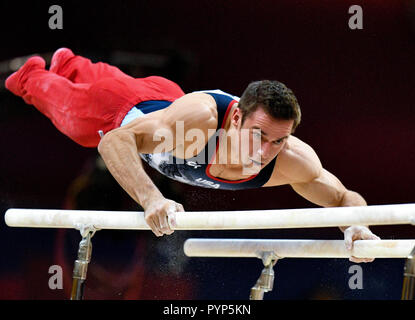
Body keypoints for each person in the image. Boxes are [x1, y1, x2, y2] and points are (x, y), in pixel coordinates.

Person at [5, 48, 380, 263]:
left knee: (110, 78)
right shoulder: (198, 125)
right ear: (234, 117)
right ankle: (31, 74)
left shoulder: (294, 160)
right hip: (118, 112)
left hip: (164, 96)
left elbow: (344, 199)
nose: (266, 153)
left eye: (278, 142)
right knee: (64, 108)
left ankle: (71, 64)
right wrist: (151, 197)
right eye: (258, 135)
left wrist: (356, 226)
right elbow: (114, 143)